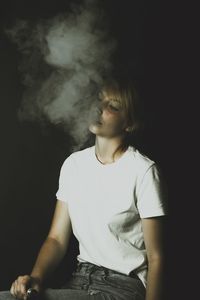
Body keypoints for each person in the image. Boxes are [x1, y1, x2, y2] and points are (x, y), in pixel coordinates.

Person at [0, 79, 167, 300]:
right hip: (80, 280)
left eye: (113, 106)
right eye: (99, 101)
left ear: (129, 123)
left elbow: (156, 257)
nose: (99, 108)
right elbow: (57, 239)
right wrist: (36, 279)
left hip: (123, 287)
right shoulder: (74, 164)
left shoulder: (143, 171)